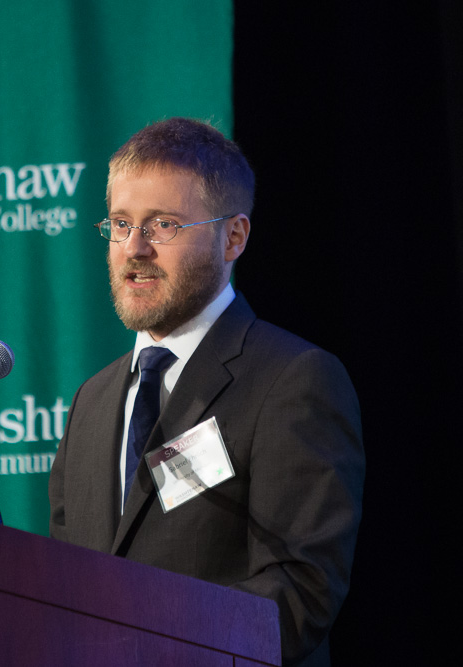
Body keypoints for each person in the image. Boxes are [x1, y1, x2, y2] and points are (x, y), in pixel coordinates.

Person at [48, 118, 365, 666]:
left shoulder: (293, 380)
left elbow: (301, 592)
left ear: (234, 237)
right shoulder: (91, 402)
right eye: (120, 224)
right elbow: (62, 584)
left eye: (162, 225)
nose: (134, 248)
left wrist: (143, 648)